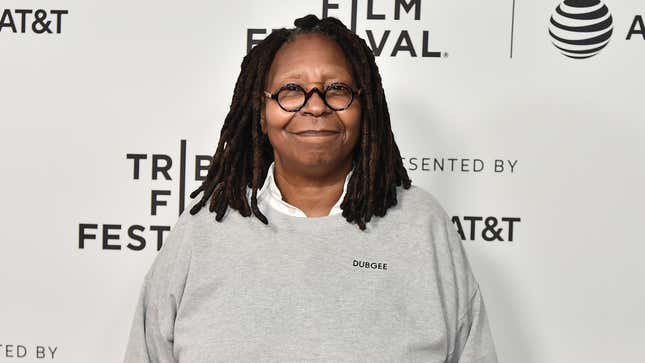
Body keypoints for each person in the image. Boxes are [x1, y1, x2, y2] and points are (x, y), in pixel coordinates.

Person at [123, 14, 498, 363]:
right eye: (291, 90)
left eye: (336, 89)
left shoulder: (422, 226)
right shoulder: (203, 231)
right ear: (261, 112)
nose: (315, 106)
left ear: (363, 105)